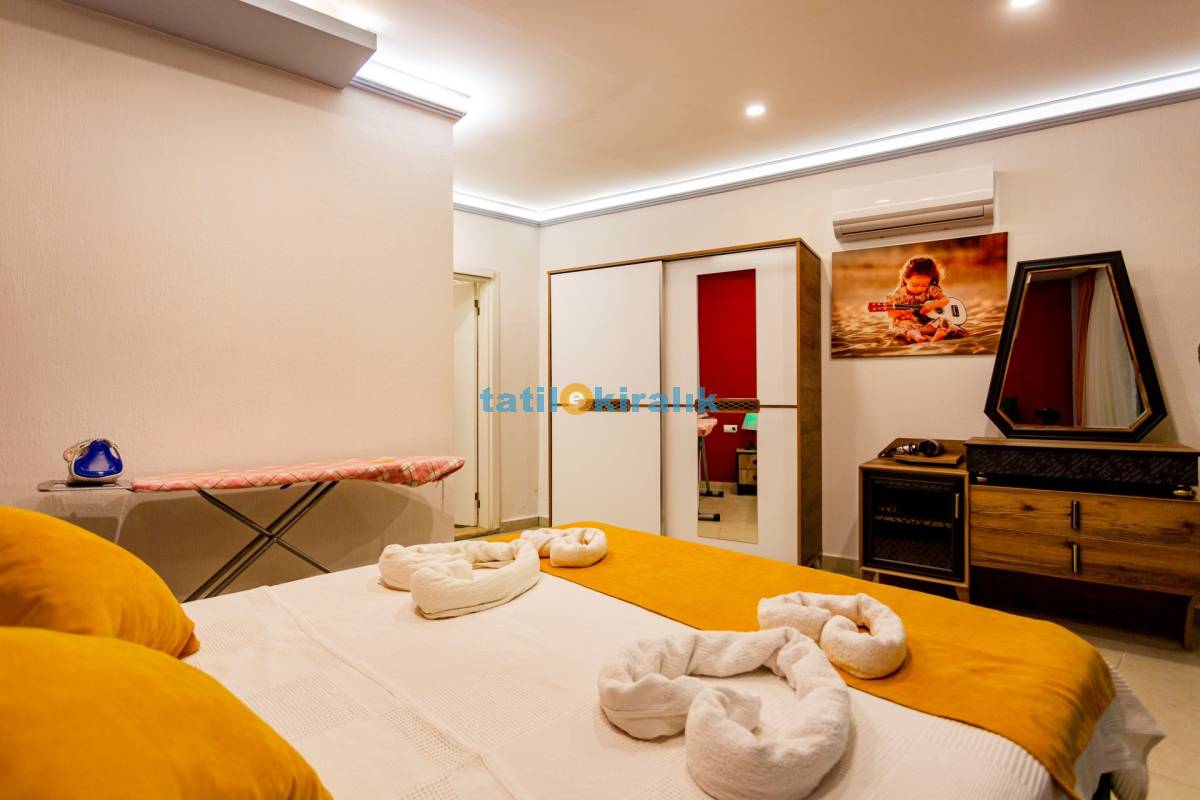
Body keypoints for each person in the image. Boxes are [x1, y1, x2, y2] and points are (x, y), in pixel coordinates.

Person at [886, 256, 967, 343]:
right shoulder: (899, 295)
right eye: (915, 285)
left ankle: (919, 334)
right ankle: (921, 337)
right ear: (905, 279)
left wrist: (931, 305)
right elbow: (890, 314)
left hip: (928, 324)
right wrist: (903, 312)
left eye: (925, 285)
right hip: (910, 322)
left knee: (944, 322)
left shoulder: (931, 289)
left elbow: (945, 300)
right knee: (905, 325)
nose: (920, 288)